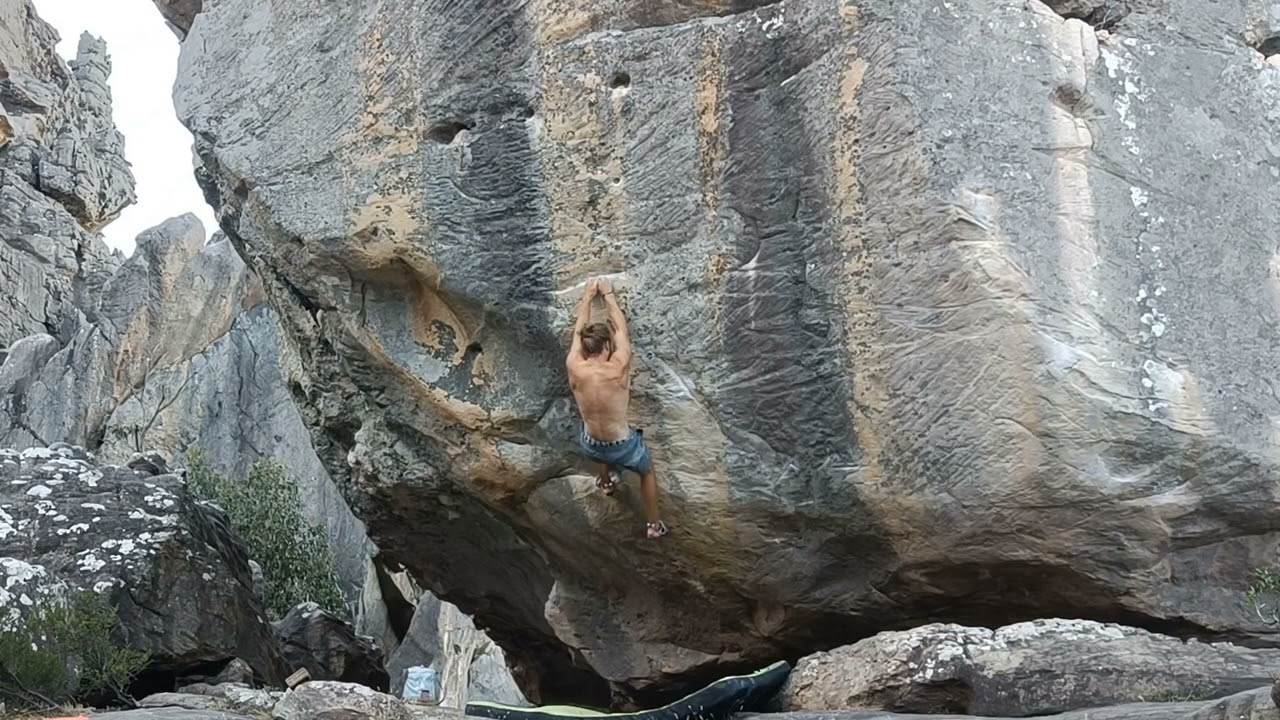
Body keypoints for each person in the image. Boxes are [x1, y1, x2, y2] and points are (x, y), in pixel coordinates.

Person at [565, 276, 668, 539]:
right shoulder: (618, 366)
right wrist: (609, 295)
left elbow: (578, 333)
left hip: (590, 444)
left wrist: (587, 296)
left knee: (595, 439)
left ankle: (605, 482)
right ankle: (654, 525)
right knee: (646, 471)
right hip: (622, 446)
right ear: (607, 346)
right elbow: (622, 333)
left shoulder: (574, 365)